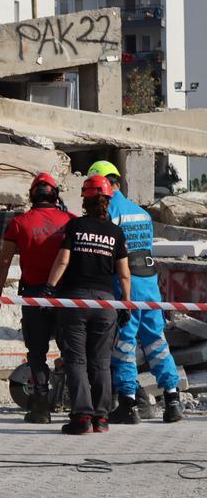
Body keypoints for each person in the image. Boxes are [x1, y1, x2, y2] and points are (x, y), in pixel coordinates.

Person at [87, 160, 183, 423]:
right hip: (150, 285)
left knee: (125, 344)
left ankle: (128, 404)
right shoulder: (142, 213)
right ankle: (173, 399)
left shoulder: (109, 212)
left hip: (124, 286)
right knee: (156, 342)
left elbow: (106, 253)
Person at [46, 175, 131, 435]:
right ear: (107, 199)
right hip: (106, 304)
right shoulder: (116, 233)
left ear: (85, 199)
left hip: (76, 302)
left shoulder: (75, 226)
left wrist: (48, 290)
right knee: (102, 361)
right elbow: (124, 274)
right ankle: (101, 418)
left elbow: (62, 261)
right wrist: (125, 304)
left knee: (77, 360)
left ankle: (82, 417)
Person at [0, 173, 75, 423]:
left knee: (36, 352)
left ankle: (40, 406)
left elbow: (4, 260)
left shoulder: (19, 223)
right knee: (71, 350)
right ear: (56, 195)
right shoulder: (71, 221)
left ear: (31, 196)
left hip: (33, 297)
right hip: (65, 297)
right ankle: (75, 403)